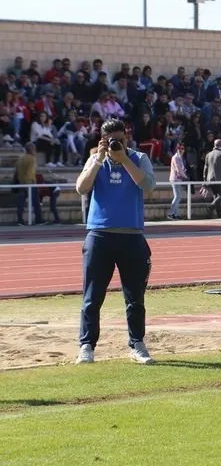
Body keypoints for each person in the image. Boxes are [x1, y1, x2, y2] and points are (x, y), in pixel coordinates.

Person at [74, 118, 157, 365]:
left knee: (135, 297)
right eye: (110, 140)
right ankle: (87, 345)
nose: (115, 144)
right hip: (99, 235)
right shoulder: (95, 159)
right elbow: (81, 187)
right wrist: (99, 159)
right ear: (101, 139)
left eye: (119, 139)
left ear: (126, 137)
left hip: (131, 236)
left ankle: (137, 344)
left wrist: (124, 160)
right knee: (92, 296)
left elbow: (148, 185)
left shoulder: (139, 158)